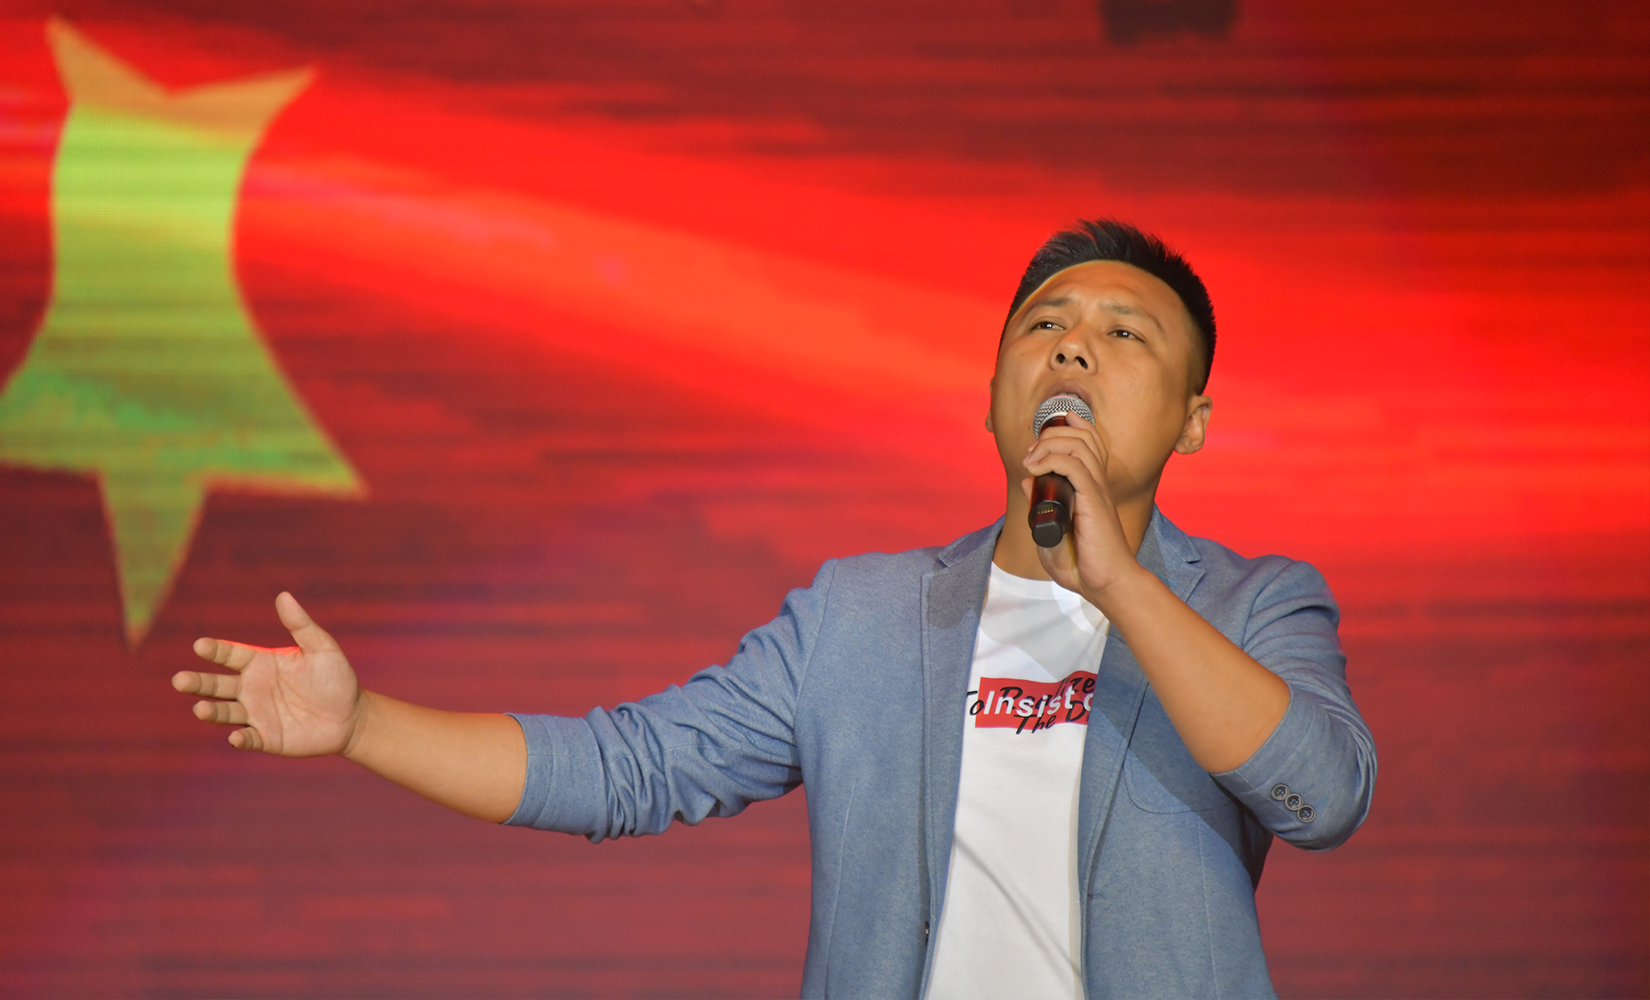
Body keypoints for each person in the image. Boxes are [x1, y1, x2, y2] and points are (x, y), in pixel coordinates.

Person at [173, 219, 1376, 1000]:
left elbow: (1324, 793)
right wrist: (363, 722)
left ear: (1193, 420)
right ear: (993, 388)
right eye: (1045, 326)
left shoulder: (1251, 604)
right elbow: (629, 767)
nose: (1072, 352)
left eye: (1123, 334)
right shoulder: (862, 616)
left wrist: (1119, 584)